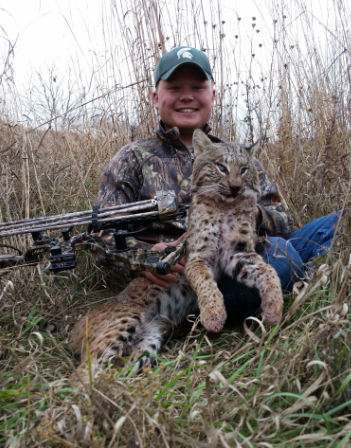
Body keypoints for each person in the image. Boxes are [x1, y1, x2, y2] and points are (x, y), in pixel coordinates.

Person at [95, 46, 341, 322]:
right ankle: (298, 283)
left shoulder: (237, 155)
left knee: (339, 222)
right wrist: (142, 257)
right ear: (155, 97)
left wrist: (252, 213)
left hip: (249, 253)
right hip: (194, 279)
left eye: (197, 87)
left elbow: (285, 220)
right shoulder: (132, 158)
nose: (186, 96)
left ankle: (310, 285)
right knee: (285, 259)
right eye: (175, 87)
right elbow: (100, 233)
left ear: (212, 95)